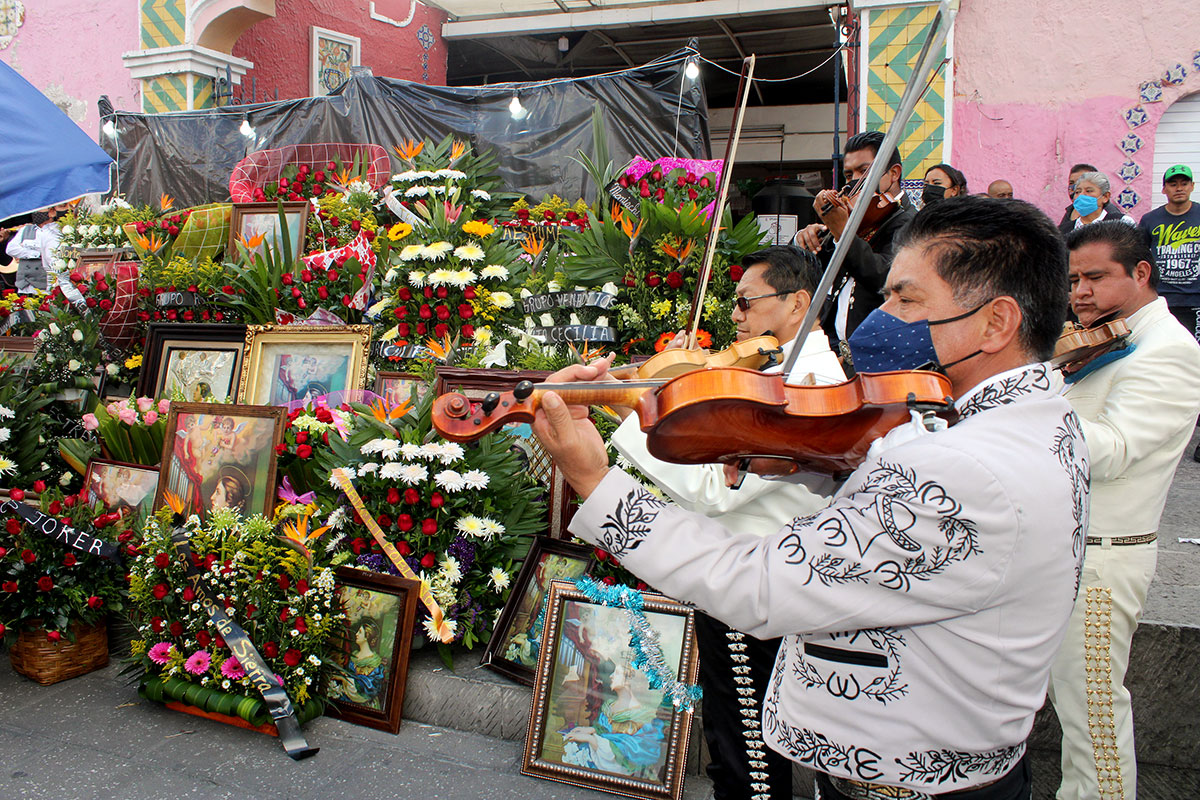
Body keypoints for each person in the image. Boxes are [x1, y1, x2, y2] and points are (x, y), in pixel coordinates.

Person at [533, 196, 1084, 797]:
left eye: (906, 300)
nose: (882, 317)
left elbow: (760, 585)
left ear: (996, 322)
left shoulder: (961, 467)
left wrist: (595, 481)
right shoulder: (1042, 419)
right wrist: (802, 458)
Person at [604, 246, 844, 800]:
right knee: (740, 739)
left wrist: (633, 414)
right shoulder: (772, 372)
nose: (734, 316)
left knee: (745, 755)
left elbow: (717, 489)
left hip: (754, 579)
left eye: (746, 303)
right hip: (755, 573)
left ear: (798, 304)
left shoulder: (802, 384)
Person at [1048, 221, 1200, 800]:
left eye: (1095, 277)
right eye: (1072, 281)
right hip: (1063, 552)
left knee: (1094, 721)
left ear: (1141, 273)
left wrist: (1026, 406)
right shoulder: (1103, 338)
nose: (1080, 292)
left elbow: (1111, 451)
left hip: (1102, 562)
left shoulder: (1168, 350)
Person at [795, 130, 916, 344]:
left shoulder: (911, 222)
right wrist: (803, 239)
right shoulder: (853, 216)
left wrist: (843, 232)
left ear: (894, 173)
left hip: (877, 348)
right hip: (834, 345)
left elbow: (885, 277)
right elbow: (813, 268)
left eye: (864, 171)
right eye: (849, 175)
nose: (855, 183)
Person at [1137, 164, 1200, 342]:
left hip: (1195, 299)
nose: (1179, 188)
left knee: (1194, 348)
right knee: (1163, 345)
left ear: (1192, 186)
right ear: (1164, 189)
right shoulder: (1150, 220)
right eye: (1173, 184)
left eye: (1184, 183)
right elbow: (1138, 255)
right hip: (1161, 299)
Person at [1058, 164, 1126, 234]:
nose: (1081, 195)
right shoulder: (1068, 217)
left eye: (1088, 191)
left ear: (1105, 196)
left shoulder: (1118, 221)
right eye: (1078, 191)